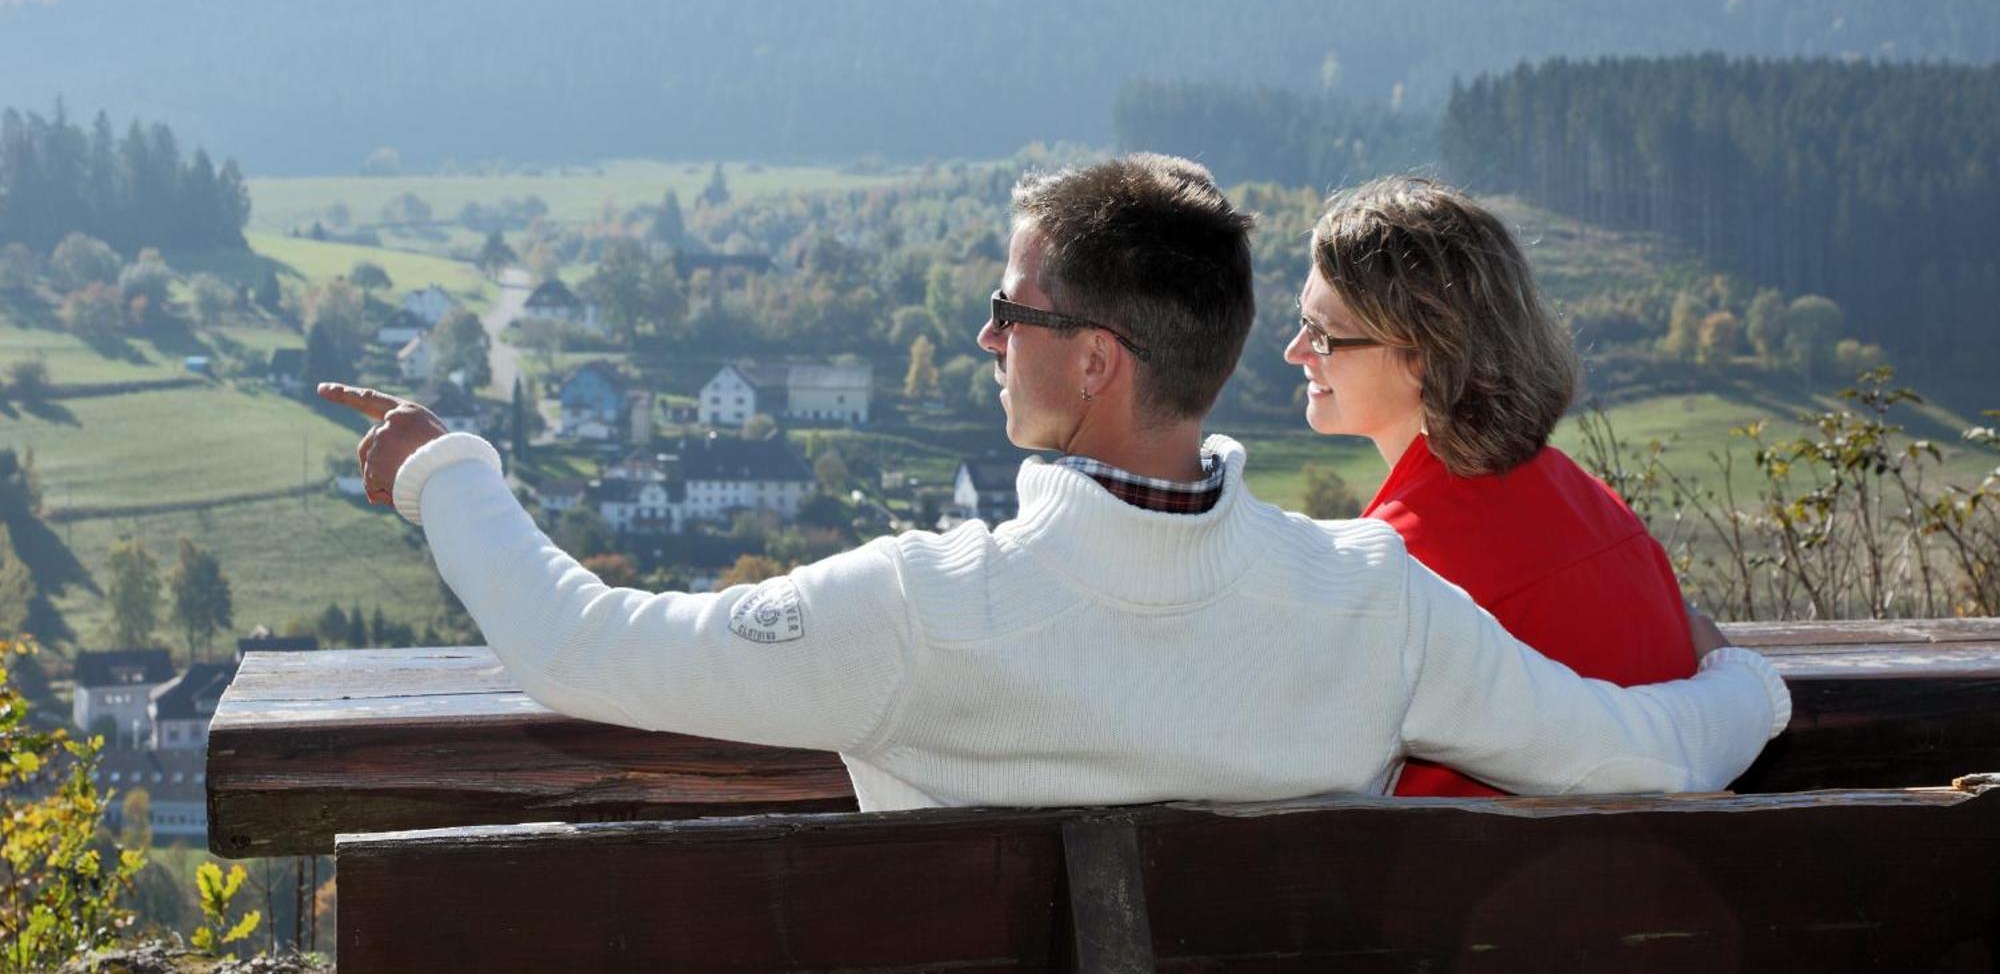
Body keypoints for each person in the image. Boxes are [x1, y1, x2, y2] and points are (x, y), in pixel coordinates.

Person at [322, 154, 1787, 813]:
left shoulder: (917, 610)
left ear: (1094, 361)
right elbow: (1638, 756)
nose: (983, 338)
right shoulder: (1376, 604)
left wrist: (444, 471)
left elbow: (577, 643)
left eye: (1009, 314)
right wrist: (1760, 688)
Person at [1286, 175, 1705, 797]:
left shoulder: (1397, 564)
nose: (1297, 352)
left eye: (1322, 335)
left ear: (1424, 356)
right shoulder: (1598, 510)